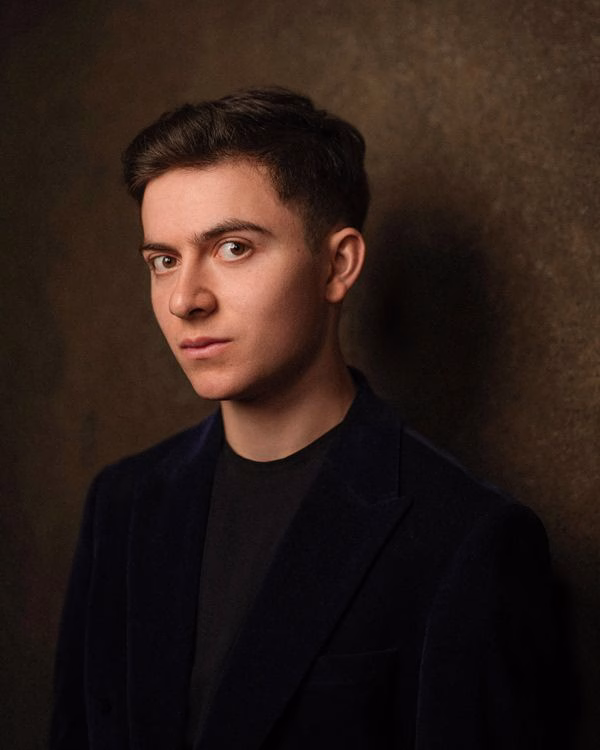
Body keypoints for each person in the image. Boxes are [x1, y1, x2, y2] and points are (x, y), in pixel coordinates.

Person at [50, 87, 558, 749]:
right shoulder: (121, 503)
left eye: (233, 248)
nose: (184, 300)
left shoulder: (466, 538)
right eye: (164, 260)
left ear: (337, 265)